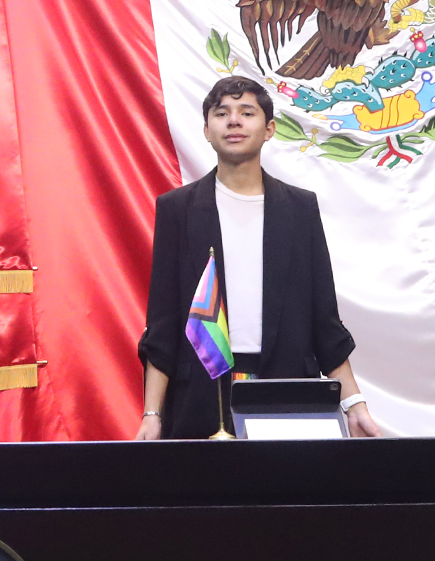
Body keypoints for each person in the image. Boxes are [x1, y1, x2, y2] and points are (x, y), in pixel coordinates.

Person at [136, 76, 381, 440]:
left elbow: (324, 320)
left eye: (247, 113)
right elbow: (163, 323)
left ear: (269, 130)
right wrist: (152, 413)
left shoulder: (299, 208)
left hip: (287, 387)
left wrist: (354, 403)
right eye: (222, 113)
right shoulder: (177, 210)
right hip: (200, 393)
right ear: (206, 130)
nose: (234, 121)